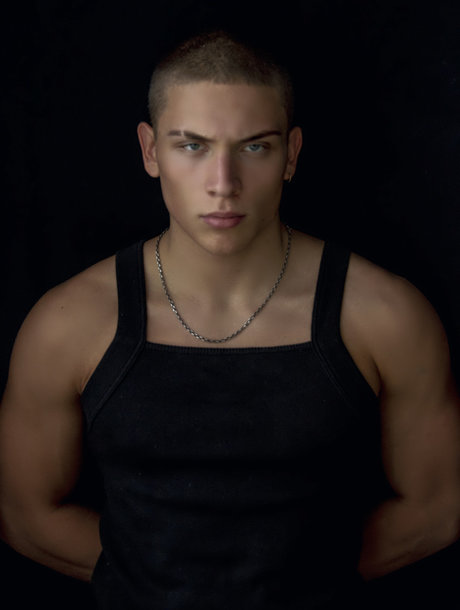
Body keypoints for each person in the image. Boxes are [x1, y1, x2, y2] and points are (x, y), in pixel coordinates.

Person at [0, 31, 459, 610]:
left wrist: (297, 583)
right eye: (192, 146)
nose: (223, 183)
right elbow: (25, 514)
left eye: (255, 147)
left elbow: (437, 509)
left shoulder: (383, 316)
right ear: (150, 151)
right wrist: (164, 585)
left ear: (292, 154)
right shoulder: (68, 324)